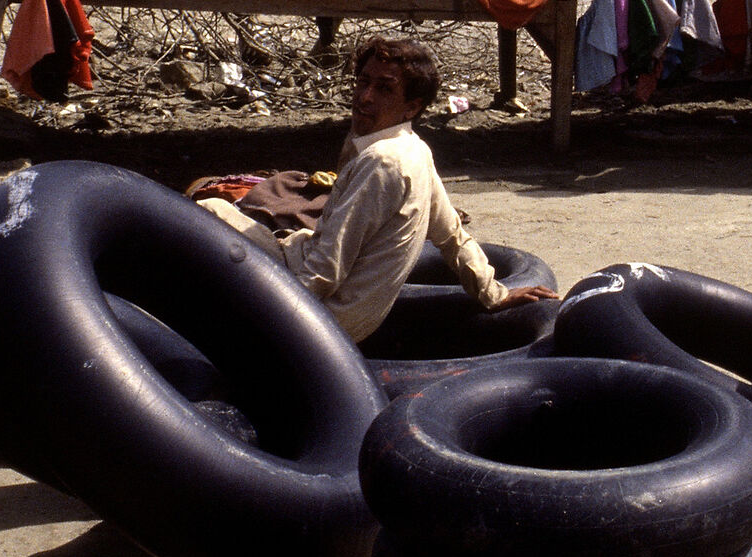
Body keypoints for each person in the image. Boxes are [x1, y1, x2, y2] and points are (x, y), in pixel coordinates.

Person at [197, 36, 557, 342]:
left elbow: (326, 268)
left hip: (324, 314)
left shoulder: (382, 162)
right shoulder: (413, 149)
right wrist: (493, 294)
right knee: (223, 212)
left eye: (384, 89)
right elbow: (451, 236)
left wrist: (283, 329)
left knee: (208, 212)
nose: (365, 97)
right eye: (363, 82)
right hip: (323, 284)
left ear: (411, 107)